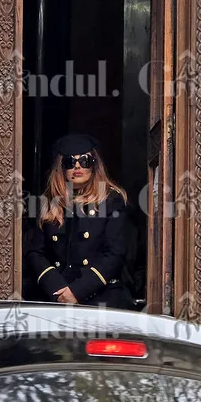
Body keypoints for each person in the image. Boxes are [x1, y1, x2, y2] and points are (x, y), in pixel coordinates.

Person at [24, 133, 135, 310]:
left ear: (94, 165)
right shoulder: (48, 203)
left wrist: (77, 291)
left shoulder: (111, 200)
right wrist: (57, 288)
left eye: (84, 161)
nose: (77, 166)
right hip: (56, 295)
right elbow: (35, 252)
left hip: (100, 294)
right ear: (61, 168)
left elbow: (115, 253)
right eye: (70, 162)